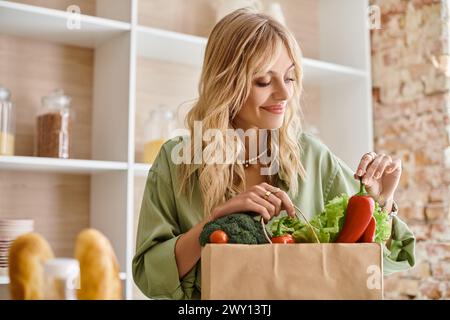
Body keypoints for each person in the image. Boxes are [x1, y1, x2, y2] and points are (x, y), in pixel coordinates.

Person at [132, 8, 415, 300]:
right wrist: (212, 224)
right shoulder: (177, 160)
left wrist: (382, 202)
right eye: (264, 82)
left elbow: (381, 262)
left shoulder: (312, 158)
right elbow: (149, 274)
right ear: (226, 83)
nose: (284, 94)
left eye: (290, 78)